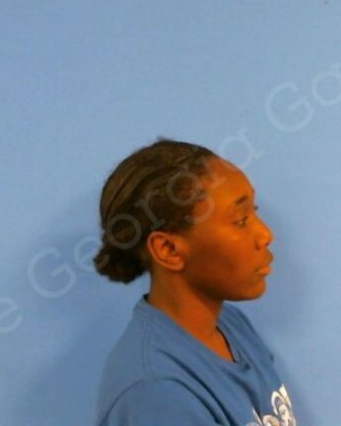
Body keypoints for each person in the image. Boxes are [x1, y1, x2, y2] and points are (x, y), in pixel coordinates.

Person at [92, 138, 297, 426]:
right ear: (169, 250)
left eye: (255, 211)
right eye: (241, 220)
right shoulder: (157, 394)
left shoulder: (230, 324)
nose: (265, 234)